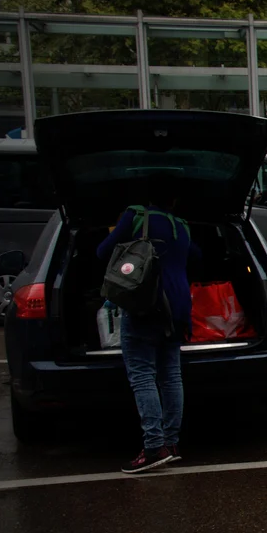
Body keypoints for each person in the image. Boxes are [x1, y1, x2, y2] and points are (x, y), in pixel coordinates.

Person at [97, 180, 199, 474]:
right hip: (179, 306)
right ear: (175, 201)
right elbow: (198, 256)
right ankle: (171, 443)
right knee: (171, 376)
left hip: (146, 304)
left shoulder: (135, 216)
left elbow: (103, 252)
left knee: (143, 376)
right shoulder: (182, 225)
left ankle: (153, 447)